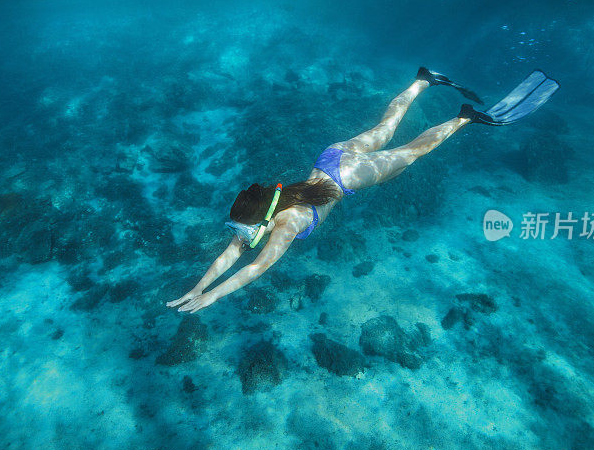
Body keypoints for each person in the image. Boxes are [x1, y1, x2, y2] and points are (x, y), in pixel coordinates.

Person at [168, 67, 558, 312]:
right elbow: (230, 254)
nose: (238, 239)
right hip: (333, 157)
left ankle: (465, 119)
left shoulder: (286, 222)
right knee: (386, 127)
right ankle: (423, 80)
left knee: (412, 151)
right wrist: (196, 288)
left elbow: (256, 267)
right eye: (236, 231)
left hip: (351, 177)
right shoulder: (270, 205)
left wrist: (213, 296)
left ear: (263, 219)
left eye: (240, 230)